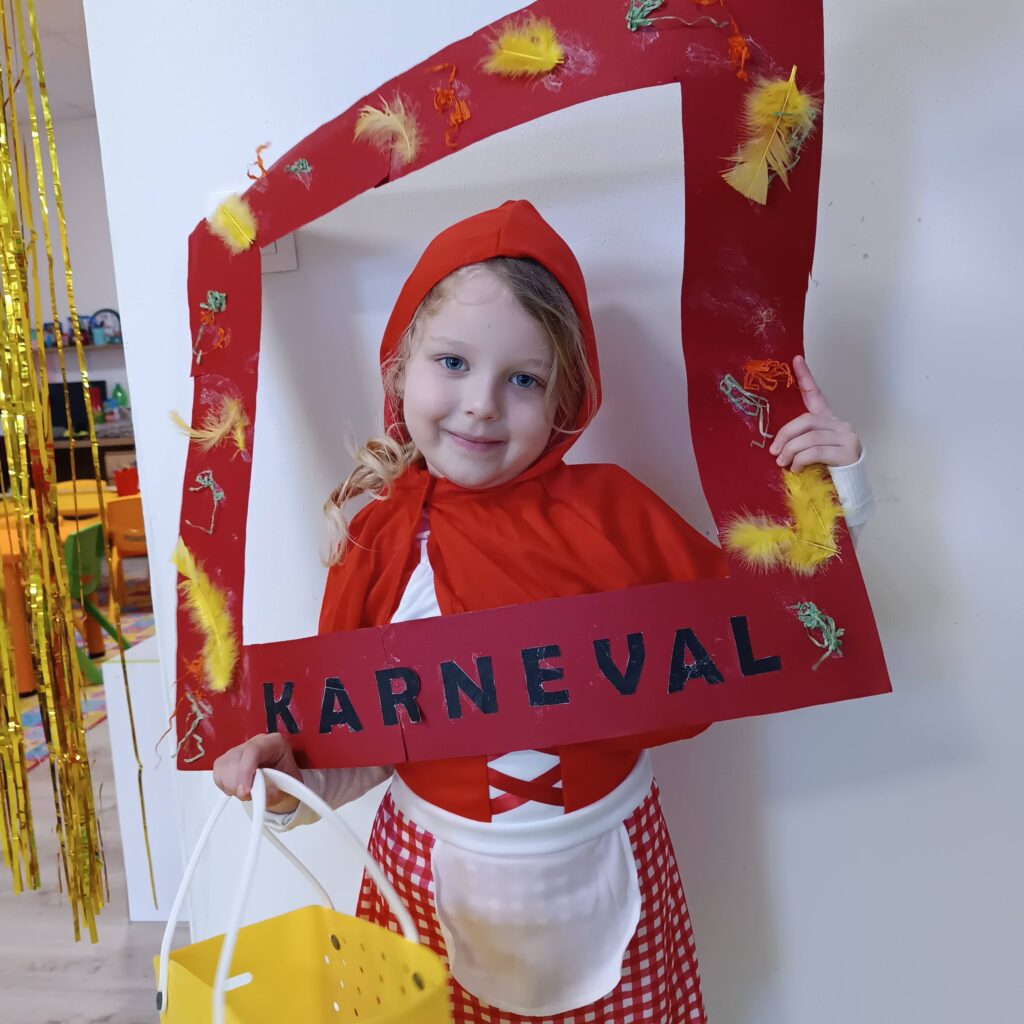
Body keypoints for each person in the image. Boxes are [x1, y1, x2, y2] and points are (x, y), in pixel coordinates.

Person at [213, 200, 872, 1023]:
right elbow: (362, 744)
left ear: (565, 398)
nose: (481, 404)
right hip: (427, 881)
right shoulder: (379, 543)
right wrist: (287, 780)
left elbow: (769, 622)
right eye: (453, 362)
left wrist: (834, 489)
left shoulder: (617, 514)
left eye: (522, 379)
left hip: (608, 869)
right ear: (401, 367)